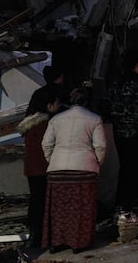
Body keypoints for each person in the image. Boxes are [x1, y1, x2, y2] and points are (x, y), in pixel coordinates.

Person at [41, 87, 106, 252]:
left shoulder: (56, 119)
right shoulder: (94, 119)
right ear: (87, 101)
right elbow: (100, 146)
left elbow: (46, 144)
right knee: (80, 209)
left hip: (57, 170)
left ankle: (57, 242)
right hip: (84, 169)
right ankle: (79, 243)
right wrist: (96, 164)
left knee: (59, 209)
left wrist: (52, 160)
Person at [16, 91, 60, 247]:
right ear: (48, 105)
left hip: (32, 168)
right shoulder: (45, 124)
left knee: (36, 200)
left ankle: (35, 233)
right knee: (44, 202)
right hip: (44, 167)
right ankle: (42, 235)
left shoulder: (30, 123)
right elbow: (47, 146)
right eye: (56, 102)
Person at [111, 52, 138, 210]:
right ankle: (130, 206)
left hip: (119, 133)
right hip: (134, 134)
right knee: (135, 171)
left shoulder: (117, 82)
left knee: (125, 169)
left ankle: (120, 204)